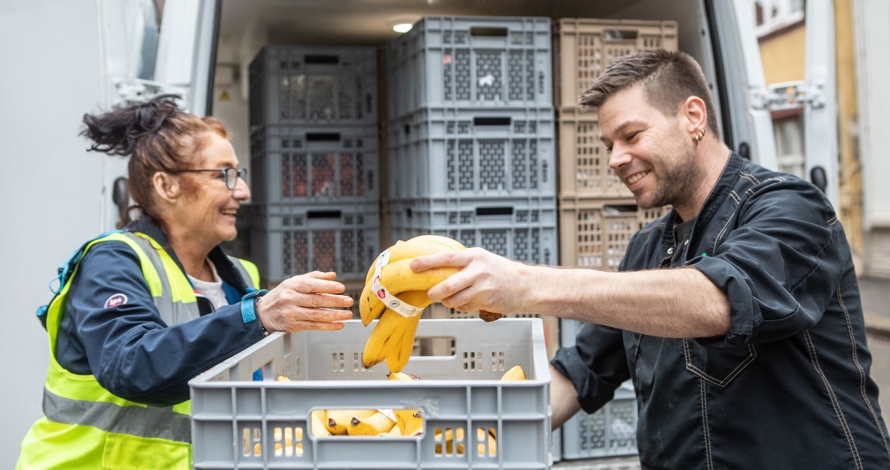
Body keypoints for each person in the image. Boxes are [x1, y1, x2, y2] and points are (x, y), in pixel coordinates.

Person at [411, 50, 890, 467]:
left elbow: (718, 300)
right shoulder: (649, 248)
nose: (616, 158)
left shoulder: (792, 208)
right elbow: (582, 372)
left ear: (693, 117)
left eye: (632, 135)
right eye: (608, 145)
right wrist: (471, 436)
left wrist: (528, 286)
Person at [17, 95, 353, 469]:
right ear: (167, 185)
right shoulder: (112, 261)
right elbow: (131, 367)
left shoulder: (241, 277)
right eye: (224, 174)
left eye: (238, 174)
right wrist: (255, 315)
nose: (242, 191)